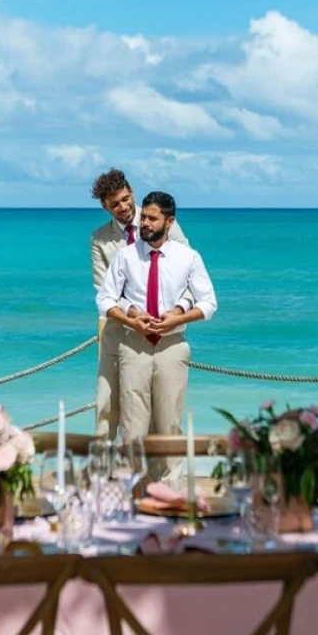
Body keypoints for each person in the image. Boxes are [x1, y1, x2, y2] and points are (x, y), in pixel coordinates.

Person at [96, 191, 216, 454]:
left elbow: (208, 303)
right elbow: (105, 299)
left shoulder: (188, 257)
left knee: (169, 426)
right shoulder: (125, 256)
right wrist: (132, 318)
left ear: (169, 222)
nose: (145, 223)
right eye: (144, 218)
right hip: (133, 345)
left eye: (152, 218)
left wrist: (179, 317)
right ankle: (136, 489)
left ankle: (169, 491)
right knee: (132, 427)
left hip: (172, 346)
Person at [89, 169, 189, 439]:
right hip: (117, 331)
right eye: (114, 204)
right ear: (104, 206)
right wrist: (132, 315)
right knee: (107, 406)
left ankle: (156, 477)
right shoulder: (99, 239)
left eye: (124, 199)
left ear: (131, 191)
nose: (122, 208)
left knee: (160, 411)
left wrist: (176, 313)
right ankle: (104, 473)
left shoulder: (163, 222)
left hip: (160, 332)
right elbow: (104, 290)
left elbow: (185, 269)